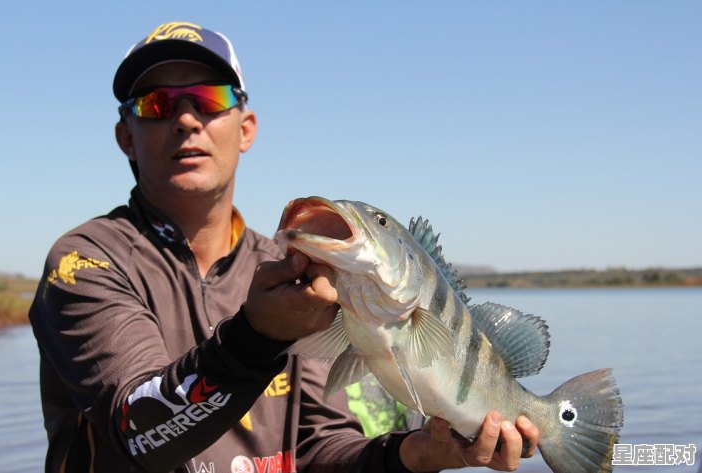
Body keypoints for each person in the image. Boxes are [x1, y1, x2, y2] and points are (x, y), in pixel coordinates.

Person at [29, 20, 539, 473]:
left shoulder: (291, 275)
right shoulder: (86, 262)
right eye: (157, 104)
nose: (185, 120)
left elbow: (320, 448)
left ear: (245, 128)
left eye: (207, 100)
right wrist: (257, 337)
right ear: (126, 136)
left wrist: (414, 455)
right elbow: (140, 435)